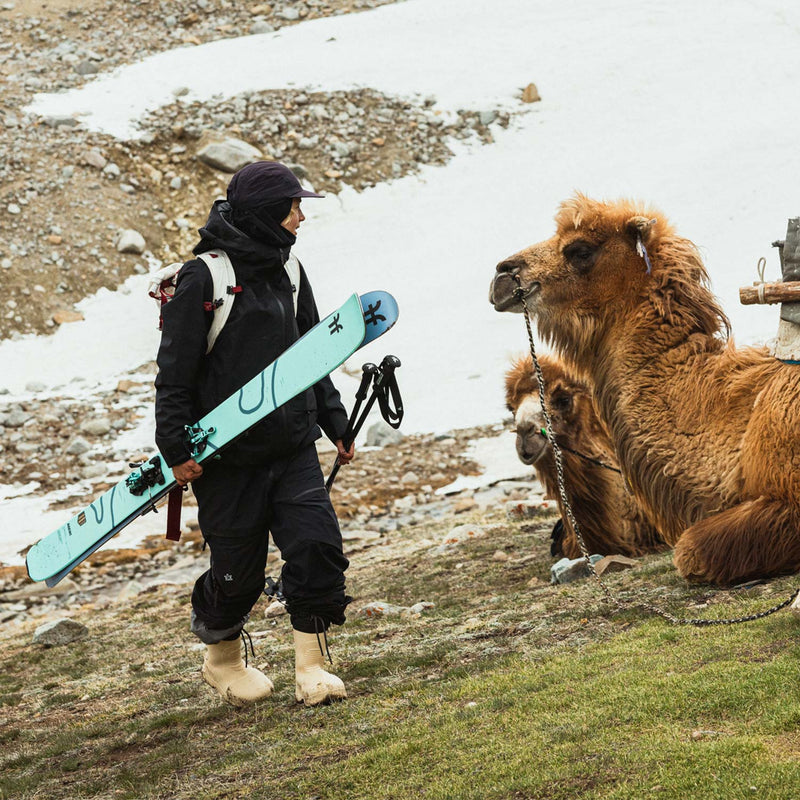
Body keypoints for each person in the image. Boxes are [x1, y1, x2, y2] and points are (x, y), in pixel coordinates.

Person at [154, 161, 355, 707]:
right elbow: (175, 374)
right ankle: (221, 660)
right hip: (226, 462)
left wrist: (334, 421)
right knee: (238, 574)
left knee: (316, 547)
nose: (300, 217)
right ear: (267, 212)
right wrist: (175, 449)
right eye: (293, 207)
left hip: (292, 448)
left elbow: (314, 353)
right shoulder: (203, 277)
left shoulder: (290, 272)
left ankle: (310, 669)